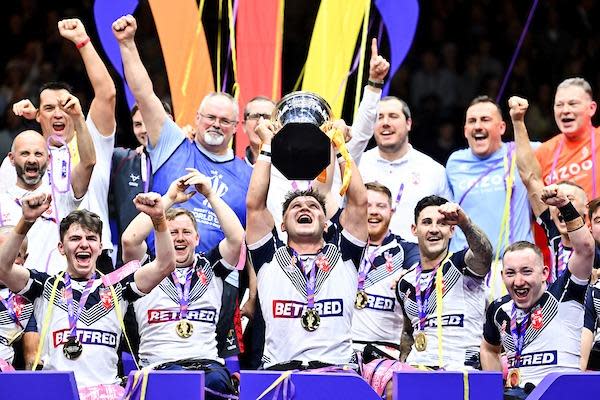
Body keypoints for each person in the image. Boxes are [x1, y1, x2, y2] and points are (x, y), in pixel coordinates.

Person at [113, 14, 246, 368]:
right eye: (209, 117)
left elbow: (248, 241)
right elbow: (145, 93)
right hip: (154, 276)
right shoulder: (173, 143)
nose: (216, 125)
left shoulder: (246, 175)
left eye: (225, 120)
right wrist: (127, 45)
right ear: (197, 118)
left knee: (216, 373)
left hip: (213, 285)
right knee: (147, 366)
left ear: (237, 126)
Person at [0, 191, 174, 398]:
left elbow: (165, 265)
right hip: (57, 393)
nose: (84, 244)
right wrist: (26, 221)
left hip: (107, 394)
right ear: (61, 248)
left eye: (91, 238)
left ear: (100, 247)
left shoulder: (117, 288)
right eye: (75, 238)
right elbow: (3, 268)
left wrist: (159, 219)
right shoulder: (45, 286)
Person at [246, 117, 368, 369]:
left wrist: (341, 149)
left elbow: (358, 203)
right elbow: (254, 206)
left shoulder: (344, 255)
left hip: (337, 372)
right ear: (281, 224)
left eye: (313, 206)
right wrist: (267, 146)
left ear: (326, 224)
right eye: (295, 207)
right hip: (279, 372)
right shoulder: (269, 257)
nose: (305, 208)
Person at [121, 169, 242, 398]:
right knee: (175, 382)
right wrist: (168, 199)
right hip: (159, 367)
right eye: (172, 232)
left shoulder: (211, 267)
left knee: (217, 381)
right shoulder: (146, 271)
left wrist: (210, 195)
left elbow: (236, 238)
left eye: (186, 232)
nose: (179, 238)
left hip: (208, 367)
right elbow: (130, 240)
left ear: (197, 238)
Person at [9, 18, 117, 272]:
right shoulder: (27, 157)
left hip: (93, 257)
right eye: (49, 108)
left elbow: (107, 94)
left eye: (65, 105)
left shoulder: (92, 137)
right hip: (38, 262)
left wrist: (82, 40)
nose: (59, 113)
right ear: (37, 115)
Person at [481, 185, 595, 398]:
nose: (518, 281)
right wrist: (493, 391)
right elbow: (489, 348)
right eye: (510, 273)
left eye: (526, 271)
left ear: (544, 273)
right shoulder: (499, 309)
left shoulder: (564, 294)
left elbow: (586, 249)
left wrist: (564, 205)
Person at [396, 195, 493, 370]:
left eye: (441, 223)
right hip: (418, 373)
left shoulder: (463, 265)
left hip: (461, 374)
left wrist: (465, 223)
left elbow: (484, 254)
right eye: (426, 222)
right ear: (414, 229)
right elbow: (408, 332)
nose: (434, 229)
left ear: (452, 230)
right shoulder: (405, 283)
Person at [509, 95, 600, 281]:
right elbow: (530, 177)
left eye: (569, 199)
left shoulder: (596, 238)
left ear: (586, 211)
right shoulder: (554, 231)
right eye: (557, 200)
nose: (561, 203)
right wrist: (517, 121)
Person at [0, 123, 94, 273]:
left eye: (38, 154)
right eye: (25, 153)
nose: (32, 160)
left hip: (53, 292)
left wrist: (78, 117)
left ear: (49, 159)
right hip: (9, 293)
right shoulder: (2, 201)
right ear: (11, 158)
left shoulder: (61, 196)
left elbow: (88, 163)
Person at [446, 96, 533, 258]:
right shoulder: (454, 162)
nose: (478, 126)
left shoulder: (522, 153)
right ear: (465, 130)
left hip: (512, 267)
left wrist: (519, 120)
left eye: (485, 120)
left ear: (501, 127)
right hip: (465, 268)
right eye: (472, 121)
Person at [357, 96, 451, 242]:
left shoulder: (433, 170)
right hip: (361, 261)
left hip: (417, 262)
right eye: (379, 117)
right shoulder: (356, 165)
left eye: (393, 116)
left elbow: (449, 225)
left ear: (409, 123)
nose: (385, 123)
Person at [351, 182, 420, 354]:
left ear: (391, 211)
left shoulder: (406, 250)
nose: (373, 211)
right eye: (367, 205)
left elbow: (423, 266)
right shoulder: (343, 246)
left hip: (385, 352)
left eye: (381, 206)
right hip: (341, 352)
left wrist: (410, 275)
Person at [109, 101, 173, 266]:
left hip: (173, 261)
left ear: (170, 121)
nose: (144, 129)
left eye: (149, 121)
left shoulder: (184, 160)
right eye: (138, 124)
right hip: (130, 263)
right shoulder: (122, 160)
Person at [535, 77, 600, 200]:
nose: (565, 110)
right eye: (559, 105)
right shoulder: (543, 152)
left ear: (591, 108)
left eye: (572, 104)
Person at [0, 226, 34, 371]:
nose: (7, 261)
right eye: (3, 254)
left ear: (25, 258)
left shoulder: (33, 295)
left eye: (15, 254)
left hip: (14, 378)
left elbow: (33, 357)